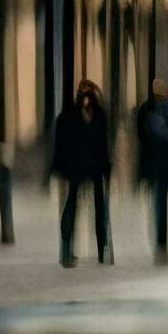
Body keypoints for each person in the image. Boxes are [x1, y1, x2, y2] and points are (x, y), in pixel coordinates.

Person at [50, 80, 112, 267]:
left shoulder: (98, 116)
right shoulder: (70, 117)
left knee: (98, 208)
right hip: (78, 166)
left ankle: (102, 248)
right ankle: (68, 247)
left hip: (92, 166)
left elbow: (103, 144)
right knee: (73, 205)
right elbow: (62, 144)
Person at [136, 78, 168, 264]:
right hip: (165, 166)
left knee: (158, 206)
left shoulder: (145, 111)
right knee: (162, 206)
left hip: (154, 166)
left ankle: (161, 243)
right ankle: (162, 243)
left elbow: (142, 140)